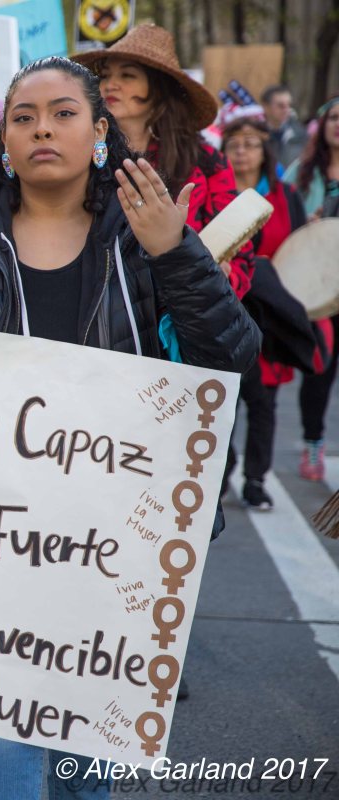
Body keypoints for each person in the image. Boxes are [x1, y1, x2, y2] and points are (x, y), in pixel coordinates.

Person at [0, 56, 258, 800]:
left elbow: (229, 358)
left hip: (111, 541)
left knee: (86, 760)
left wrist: (177, 252)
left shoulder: (144, 235)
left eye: (63, 114)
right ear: (4, 142)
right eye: (25, 117)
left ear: (100, 133)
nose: (43, 128)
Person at [74, 23, 256, 301]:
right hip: (102, 304)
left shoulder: (206, 161)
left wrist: (221, 278)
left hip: (184, 306)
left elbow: (239, 249)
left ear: (159, 88)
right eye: (106, 75)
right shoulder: (82, 154)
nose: (111, 84)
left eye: (127, 75)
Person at [221, 114, 310, 507]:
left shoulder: (284, 195)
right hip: (225, 311)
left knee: (262, 402)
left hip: (269, 312)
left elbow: (301, 250)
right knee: (221, 401)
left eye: (251, 143)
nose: (241, 151)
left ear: (265, 151)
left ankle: (256, 479)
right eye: (234, 144)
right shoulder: (215, 193)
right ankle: (220, 472)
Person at [284, 94, 339, 479]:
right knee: (320, 371)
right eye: (333, 117)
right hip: (320, 287)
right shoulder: (302, 172)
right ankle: (313, 443)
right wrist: (305, 224)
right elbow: (280, 218)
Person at [262, 84, 307, 170]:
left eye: (289, 105)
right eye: (281, 106)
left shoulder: (301, 135)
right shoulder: (258, 136)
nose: (286, 110)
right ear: (266, 107)